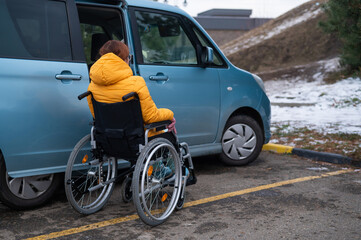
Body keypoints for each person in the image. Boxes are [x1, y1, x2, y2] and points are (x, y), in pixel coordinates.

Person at [87, 40, 177, 137]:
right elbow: (150, 117)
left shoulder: (92, 86)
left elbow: (97, 117)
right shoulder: (136, 82)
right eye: (128, 57)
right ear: (125, 60)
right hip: (136, 139)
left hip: (108, 138)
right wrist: (170, 115)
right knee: (169, 134)